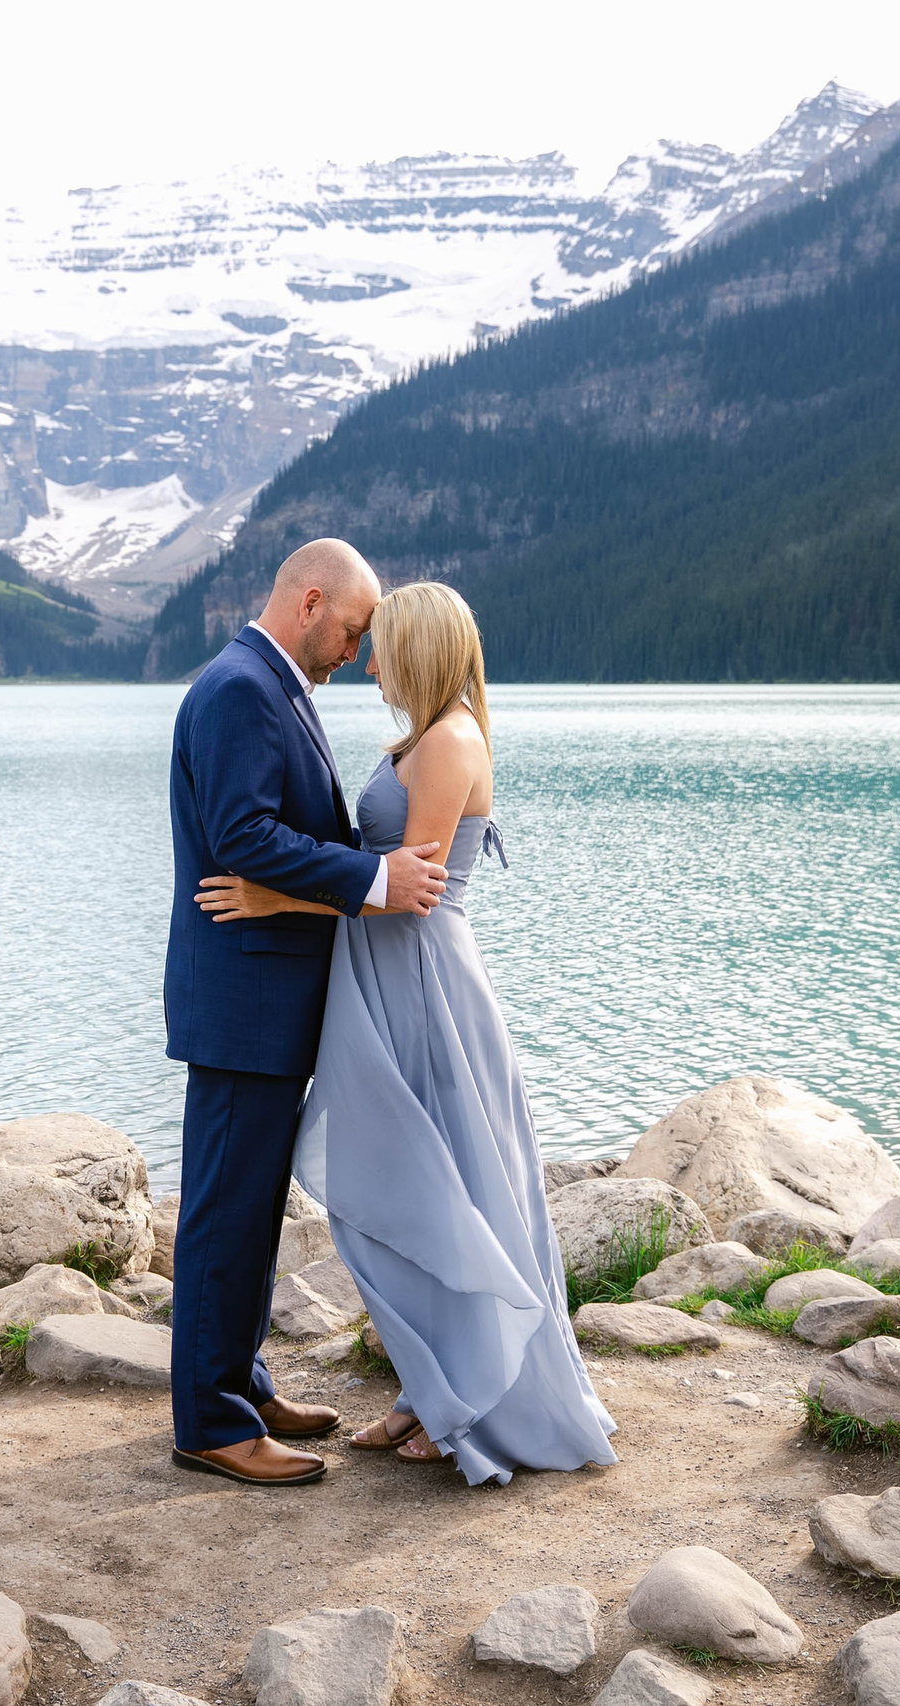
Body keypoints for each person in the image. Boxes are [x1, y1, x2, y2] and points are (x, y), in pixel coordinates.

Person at [196, 580, 618, 1486]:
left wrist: (275, 897)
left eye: (380, 643)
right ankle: (426, 1387)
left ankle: (473, 1402)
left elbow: (410, 890)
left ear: (420, 647)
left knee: (452, 1187)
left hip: (428, 989)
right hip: (391, 980)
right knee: (419, 1186)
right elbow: (377, 872)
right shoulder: (423, 739)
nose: (367, 660)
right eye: (362, 637)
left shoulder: (451, 740)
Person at [162, 539, 449, 1487]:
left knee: (250, 1210)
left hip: (264, 997)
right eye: (353, 630)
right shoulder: (241, 689)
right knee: (223, 1214)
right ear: (310, 602)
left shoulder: (271, 685)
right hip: (242, 1000)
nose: (357, 652)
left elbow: (282, 830)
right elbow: (243, 833)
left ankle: (240, 1385)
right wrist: (373, 876)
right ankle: (210, 1424)